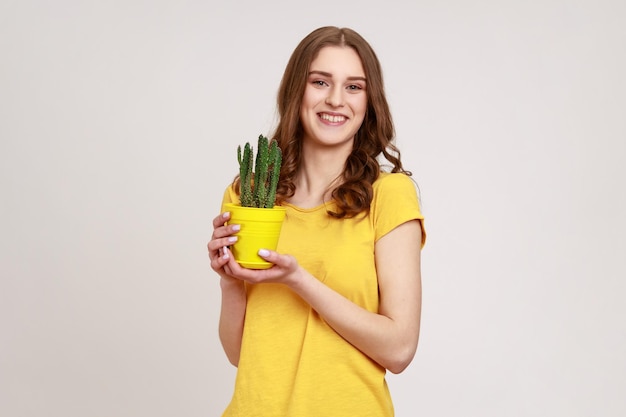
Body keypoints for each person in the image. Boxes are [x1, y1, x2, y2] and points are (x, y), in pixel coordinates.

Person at [208, 26, 426, 417]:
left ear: (370, 100)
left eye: (354, 87)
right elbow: (240, 353)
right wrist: (229, 280)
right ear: (297, 91)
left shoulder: (388, 195)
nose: (335, 100)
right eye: (320, 81)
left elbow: (400, 349)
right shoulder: (249, 196)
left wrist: (298, 279)